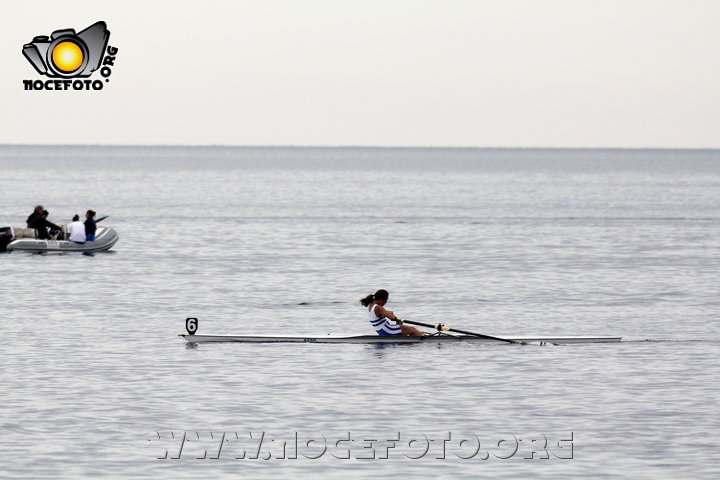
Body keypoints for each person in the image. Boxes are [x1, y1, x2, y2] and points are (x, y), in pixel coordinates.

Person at [360, 289, 425, 336]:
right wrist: (391, 314)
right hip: (387, 330)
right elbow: (392, 318)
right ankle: (424, 339)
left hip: (382, 331)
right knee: (412, 329)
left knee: (407, 335)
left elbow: (382, 314)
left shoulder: (371, 305)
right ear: (381, 299)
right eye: (386, 300)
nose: (386, 302)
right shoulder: (378, 308)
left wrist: (388, 313)